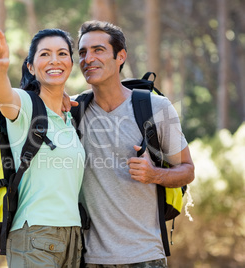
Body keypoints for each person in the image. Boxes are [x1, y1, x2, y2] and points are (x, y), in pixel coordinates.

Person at [73, 20, 195, 267]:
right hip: (88, 258)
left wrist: (154, 174)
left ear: (121, 56)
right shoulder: (73, 111)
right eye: (83, 52)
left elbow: (187, 170)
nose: (88, 59)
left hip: (145, 255)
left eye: (98, 50)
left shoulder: (155, 107)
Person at [0, 27, 85, 268]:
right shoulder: (26, 104)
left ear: (71, 63)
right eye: (44, 54)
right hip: (35, 235)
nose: (54, 60)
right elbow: (5, 97)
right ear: (30, 66)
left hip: (72, 237)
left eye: (62, 53)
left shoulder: (68, 116)